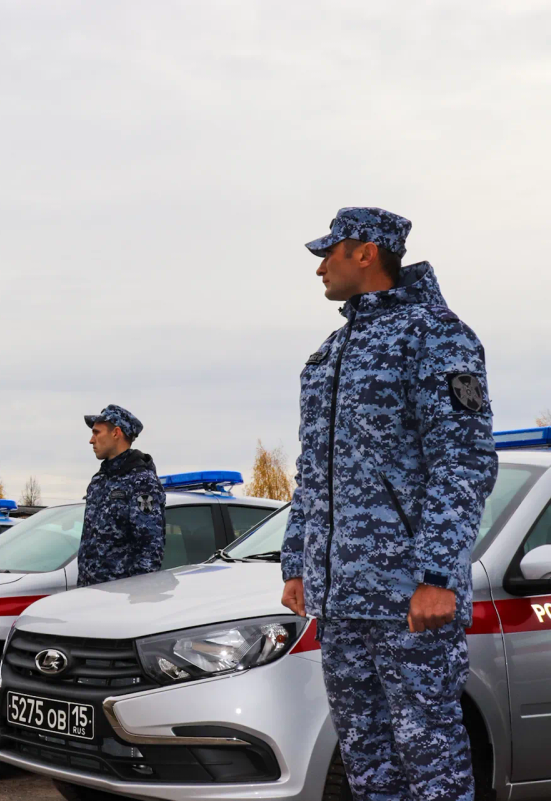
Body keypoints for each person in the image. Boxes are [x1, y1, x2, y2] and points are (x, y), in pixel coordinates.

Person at [280, 208, 498, 801]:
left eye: (330, 253)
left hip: (408, 598)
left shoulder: (435, 334)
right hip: (343, 598)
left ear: (367, 252)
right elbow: (312, 470)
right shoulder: (330, 354)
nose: (321, 267)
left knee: (431, 760)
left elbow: (464, 461)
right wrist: (297, 562)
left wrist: (437, 576)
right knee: (366, 763)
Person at [77, 404, 165, 587]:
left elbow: (150, 548)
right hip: (88, 595)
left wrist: (137, 596)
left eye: (97, 433)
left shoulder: (141, 481)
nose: (91, 440)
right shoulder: (99, 480)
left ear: (116, 433)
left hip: (120, 600)